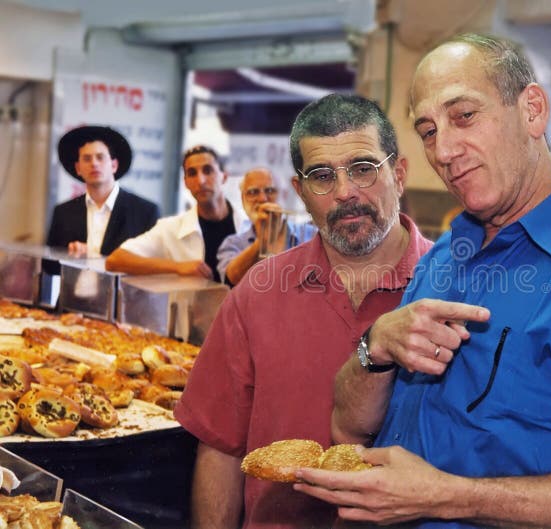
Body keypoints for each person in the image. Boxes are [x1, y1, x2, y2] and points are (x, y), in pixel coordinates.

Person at [293, 33, 551, 529]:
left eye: (464, 116)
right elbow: (346, 429)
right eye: (428, 131)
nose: (445, 150)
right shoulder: (444, 258)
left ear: (533, 111)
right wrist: (375, 346)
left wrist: (444, 497)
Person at [173, 94, 433, 529]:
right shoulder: (256, 294)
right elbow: (220, 447)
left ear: (399, 173)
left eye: (363, 169)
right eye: (322, 176)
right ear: (300, 192)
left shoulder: (454, 291)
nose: (346, 192)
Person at [105, 145, 245, 282]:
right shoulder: (171, 228)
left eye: (208, 171)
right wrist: (177, 267)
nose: (200, 181)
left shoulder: (248, 225)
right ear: (186, 183)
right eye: (192, 173)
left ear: (224, 177)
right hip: (196, 305)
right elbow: (115, 260)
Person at [47, 125, 159, 257]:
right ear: (78, 168)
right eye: (87, 159)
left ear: (114, 165)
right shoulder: (63, 212)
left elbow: (151, 263)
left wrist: (94, 256)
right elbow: (49, 265)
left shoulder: (144, 212)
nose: (94, 163)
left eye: (100, 157)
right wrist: (71, 254)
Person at [216, 167, 317, 285]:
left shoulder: (313, 235)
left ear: (284, 196)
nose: (262, 199)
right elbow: (232, 279)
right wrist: (262, 242)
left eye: (270, 191)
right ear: (243, 200)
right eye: (253, 192)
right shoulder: (233, 243)